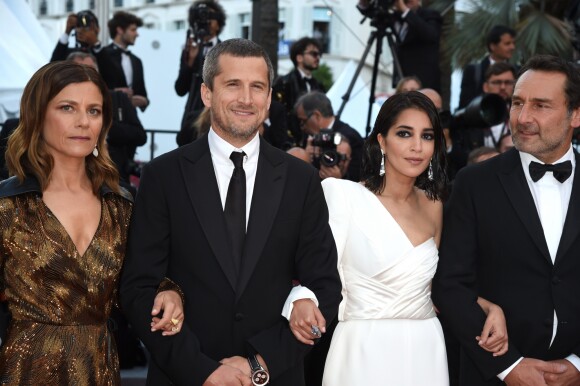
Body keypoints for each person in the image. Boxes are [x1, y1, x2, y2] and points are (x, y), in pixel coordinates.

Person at [120, 38, 342, 386]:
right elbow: (138, 287)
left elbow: (325, 287)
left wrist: (260, 361)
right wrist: (202, 370)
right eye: (232, 85)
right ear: (207, 94)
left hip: (275, 375)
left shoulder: (301, 180)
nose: (246, 98)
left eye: (257, 87)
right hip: (184, 376)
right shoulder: (163, 175)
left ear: (269, 98)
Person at [288, 91, 507, 385]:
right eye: (404, 134)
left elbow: (438, 288)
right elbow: (313, 275)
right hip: (362, 349)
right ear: (382, 140)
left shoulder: (435, 206)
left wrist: (490, 307)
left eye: (427, 136)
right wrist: (299, 300)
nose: (417, 147)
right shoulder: (342, 195)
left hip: (426, 348)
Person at [0, 61, 183, 384]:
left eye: (94, 111)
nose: (83, 122)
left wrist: (169, 293)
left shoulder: (121, 206)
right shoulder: (9, 205)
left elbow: (139, 283)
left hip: (99, 367)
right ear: (38, 114)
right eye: (67, 108)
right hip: (24, 369)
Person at [433, 54, 580, 385]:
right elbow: (450, 284)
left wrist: (577, 365)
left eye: (541, 105)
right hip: (493, 375)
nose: (523, 117)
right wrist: (508, 366)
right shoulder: (474, 183)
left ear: (576, 114)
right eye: (517, 103)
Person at [67, 51, 147, 196]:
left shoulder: (117, 99)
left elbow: (140, 136)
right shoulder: (61, 105)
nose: (85, 75)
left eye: (90, 70)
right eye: (78, 70)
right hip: (70, 179)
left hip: (115, 178)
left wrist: (103, 128)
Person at [175, 0, 227, 146]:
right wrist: (189, 63)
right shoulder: (190, 50)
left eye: (210, 17)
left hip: (214, 114)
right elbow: (180, 89)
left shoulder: (226, 50)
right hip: (192, 114)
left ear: (219, 23)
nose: (206, 22)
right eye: (201, 18)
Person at [294, 91, 364, 182]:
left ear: (316, 116)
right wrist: (306, 158)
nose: (302, 127)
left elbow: (357, 178)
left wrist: (338, 179)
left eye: (303, 121)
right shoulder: (310, 139)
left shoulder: (351, 138)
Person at [273, 37, 325, 147]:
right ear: (299, 57)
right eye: (313, 54)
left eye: (319, 54)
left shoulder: (319, 86)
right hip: (290, 145)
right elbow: (278, 116)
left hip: (315, 145)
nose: (318, 57)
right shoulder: (284, 83)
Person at [98, 11, 149, 111]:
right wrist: (116, 93)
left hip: (130, 118)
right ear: (120, 30)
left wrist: (144, 101)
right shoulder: (103, 55)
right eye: (133, 30)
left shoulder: (137, 61)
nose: (137, 34)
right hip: (108, 116)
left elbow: (143, 95)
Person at [458, 25, 516, 109]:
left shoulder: (518, 71)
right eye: (507, 43)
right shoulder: (473, 71)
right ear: (492, 46)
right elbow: (464, 105)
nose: (512, 47)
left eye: (513, 43)